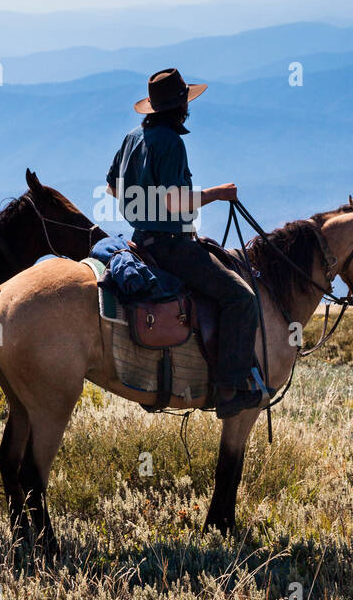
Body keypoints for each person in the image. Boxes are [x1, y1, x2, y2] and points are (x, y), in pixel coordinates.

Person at [105, 68, 262, 419]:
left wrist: (140, 205)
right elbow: (177, 202)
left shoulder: (132, 137)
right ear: (180, 107)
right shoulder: (172, 143)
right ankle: (230, 388)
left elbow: (113, 188)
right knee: (241, 297)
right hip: (172, 246)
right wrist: (218, 194)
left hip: (140, 241)